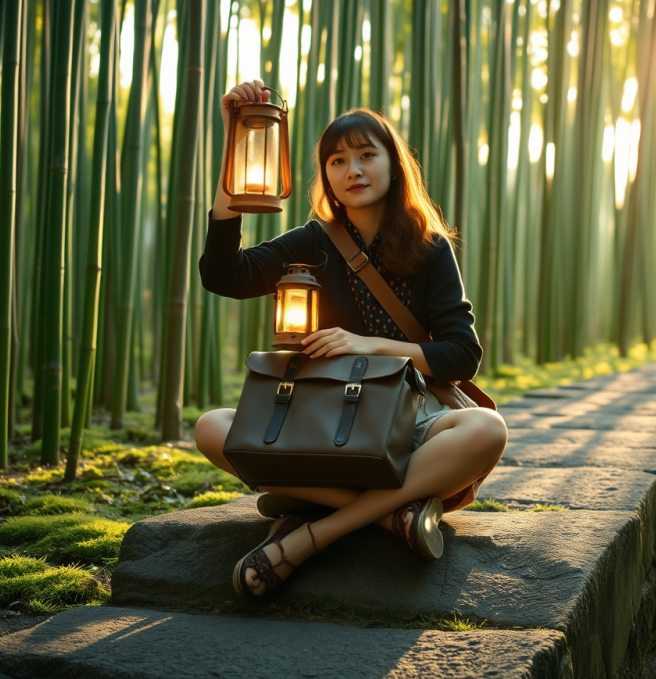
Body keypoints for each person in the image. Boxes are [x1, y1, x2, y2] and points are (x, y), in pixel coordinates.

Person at [195, 78, 507, 602]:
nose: (353, 170)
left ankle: (312, 529)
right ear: (326, 176)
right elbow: (224, 276)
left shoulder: (429, 249)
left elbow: (461, 355)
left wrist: (370, 346)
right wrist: (233, 163)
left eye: (366, 154)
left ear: (393, 163)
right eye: (337, 161)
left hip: (411, 417)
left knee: (486, 430)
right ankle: (393, 517)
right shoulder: (313, 241)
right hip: (322, 415)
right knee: (212, 427)